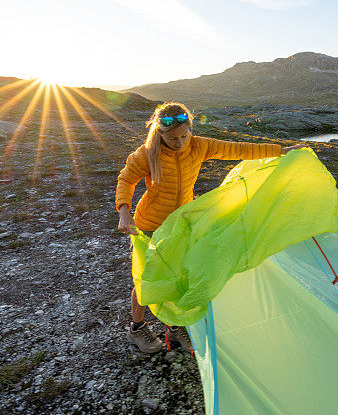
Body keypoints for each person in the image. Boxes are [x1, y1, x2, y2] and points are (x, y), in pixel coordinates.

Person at [116, 102, 304, 352]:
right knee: (148, 279)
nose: (180, 142)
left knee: (180, 276)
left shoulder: (199, 145)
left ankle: (174, 328)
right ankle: (137, 330)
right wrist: (124, 213)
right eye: (172, 138)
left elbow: (239, 149)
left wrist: (281, 151)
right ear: (160, 133)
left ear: (190, 130)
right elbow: (126, 179)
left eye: (184, 135)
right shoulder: (147, 153)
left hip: (183, 223)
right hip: (150, 226)